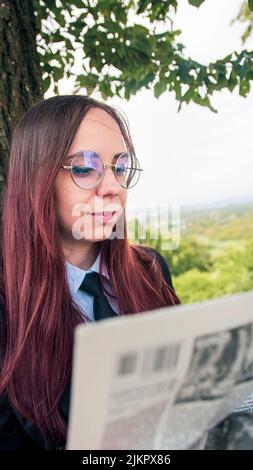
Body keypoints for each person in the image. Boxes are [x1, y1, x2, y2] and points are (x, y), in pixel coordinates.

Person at [0, 95, 181, 450]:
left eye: (121, 166)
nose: (113, 187)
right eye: (84, 167)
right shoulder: (7, 307)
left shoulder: (151, 271)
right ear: (37, 179)